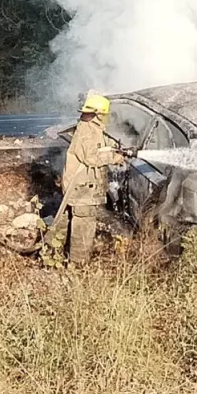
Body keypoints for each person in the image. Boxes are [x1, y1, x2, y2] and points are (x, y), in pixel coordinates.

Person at [51, 94, 125, 266]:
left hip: (83, 186)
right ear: (99, 113)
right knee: (83, 225)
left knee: (70, 222)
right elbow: (91, 158)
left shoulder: (92, 128)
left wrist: (115, 150)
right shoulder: (87, 131)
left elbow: (98, 149)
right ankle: (78, 266)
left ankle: (53, 256)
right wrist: (115, 158)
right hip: (82, 188)